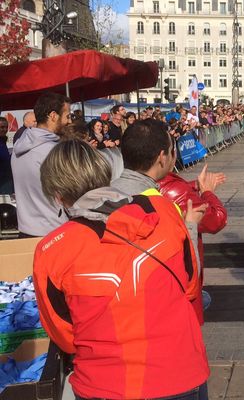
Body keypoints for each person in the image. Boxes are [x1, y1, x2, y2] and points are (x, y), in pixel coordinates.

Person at [34, 139, 209, 400]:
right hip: (179, 374)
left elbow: (65, 335)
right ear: (105, 175)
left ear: (58, 196)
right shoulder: (163, 210)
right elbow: (191, 284)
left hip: (105, 383)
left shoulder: (51, 250)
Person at [111, 119, 211, 321]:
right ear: (162, 158)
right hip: (150, 314)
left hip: (113, 306)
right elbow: (188, 276)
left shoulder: (104, 193)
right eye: (172, 151)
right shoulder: (162, 208)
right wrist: (190, 225)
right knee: (205, 299)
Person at [11, 92, 72, 237]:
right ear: (53, 116)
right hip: (53, 232)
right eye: (67, 116)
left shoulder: (19, 146)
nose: (69, 121)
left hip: (26, 230)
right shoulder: (53, 151)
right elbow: (70, 194)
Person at [0, 117, 13, 194]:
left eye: (6, 127)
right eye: (1, 127)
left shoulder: (3, 140)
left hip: (6, 180)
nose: (4, 130)